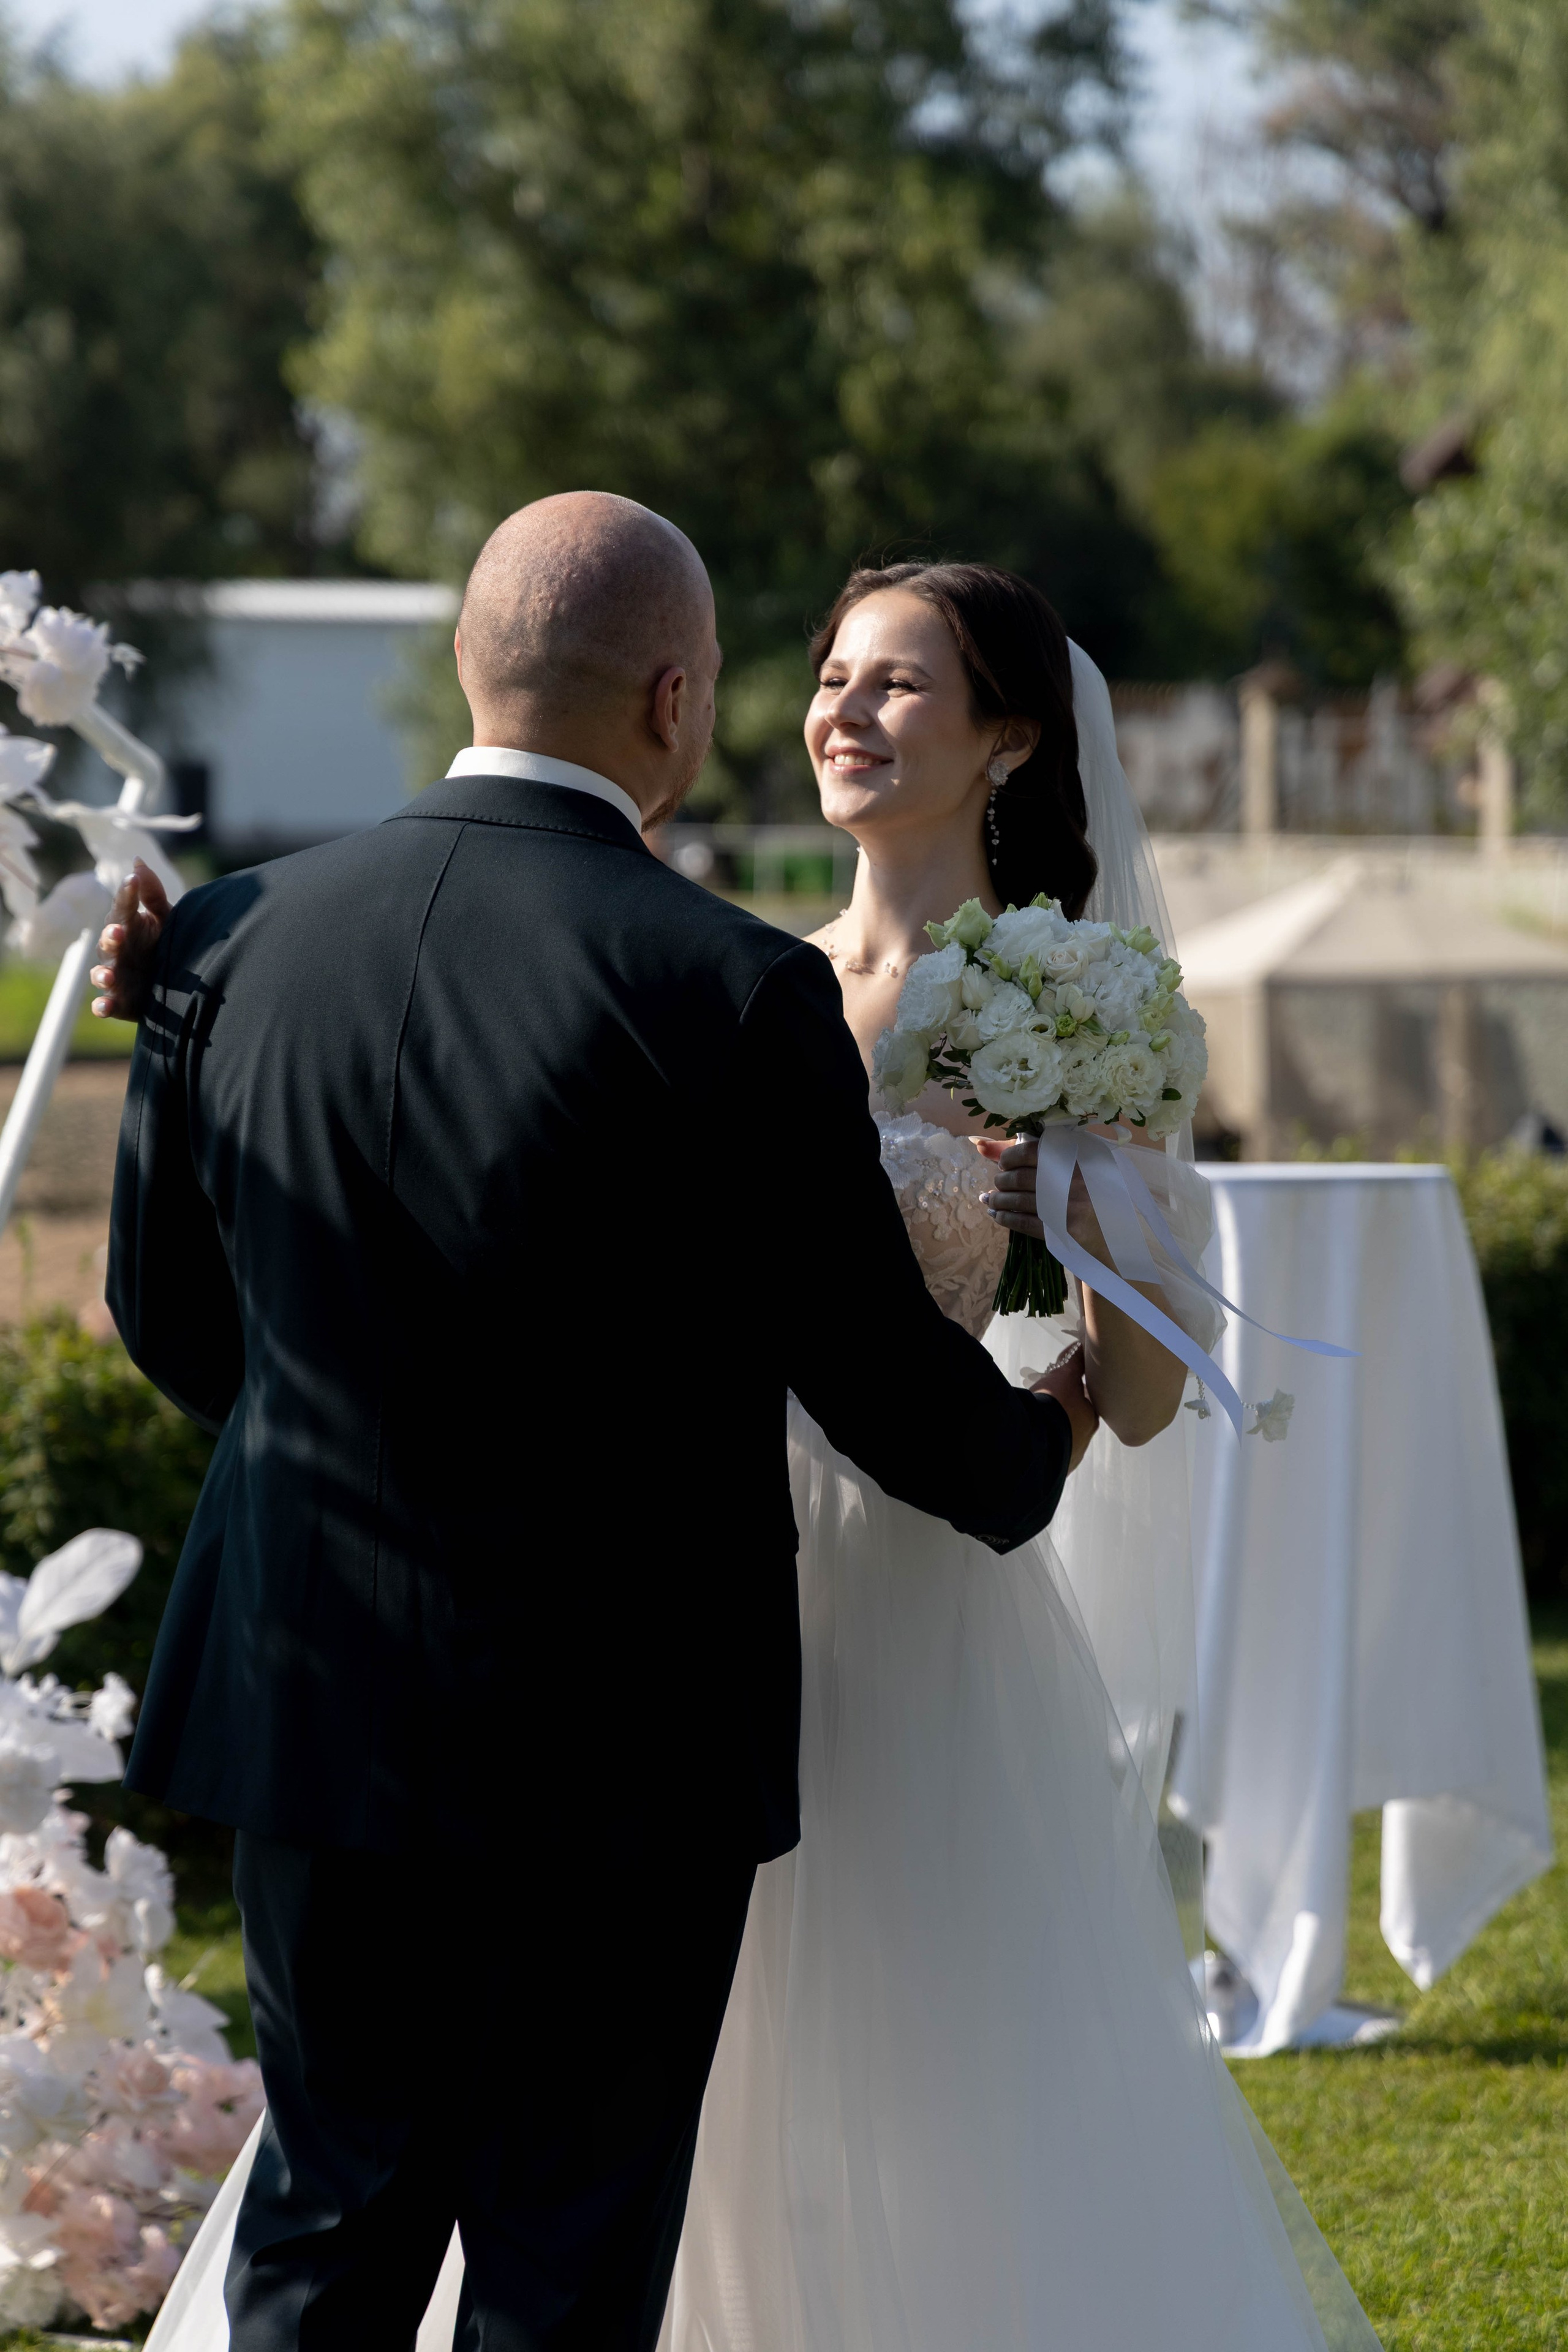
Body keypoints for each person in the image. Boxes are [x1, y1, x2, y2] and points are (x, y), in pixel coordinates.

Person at [100, 497, 1089, 2352]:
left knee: (323, 2226)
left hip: (310, 1698)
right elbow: (877, 1377)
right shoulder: (727, 986)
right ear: (672, 697)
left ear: (474, 668)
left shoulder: (228, 941)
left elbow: (172, 1328)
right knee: (566, 2253)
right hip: (621, 1744)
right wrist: (1039, 1444)